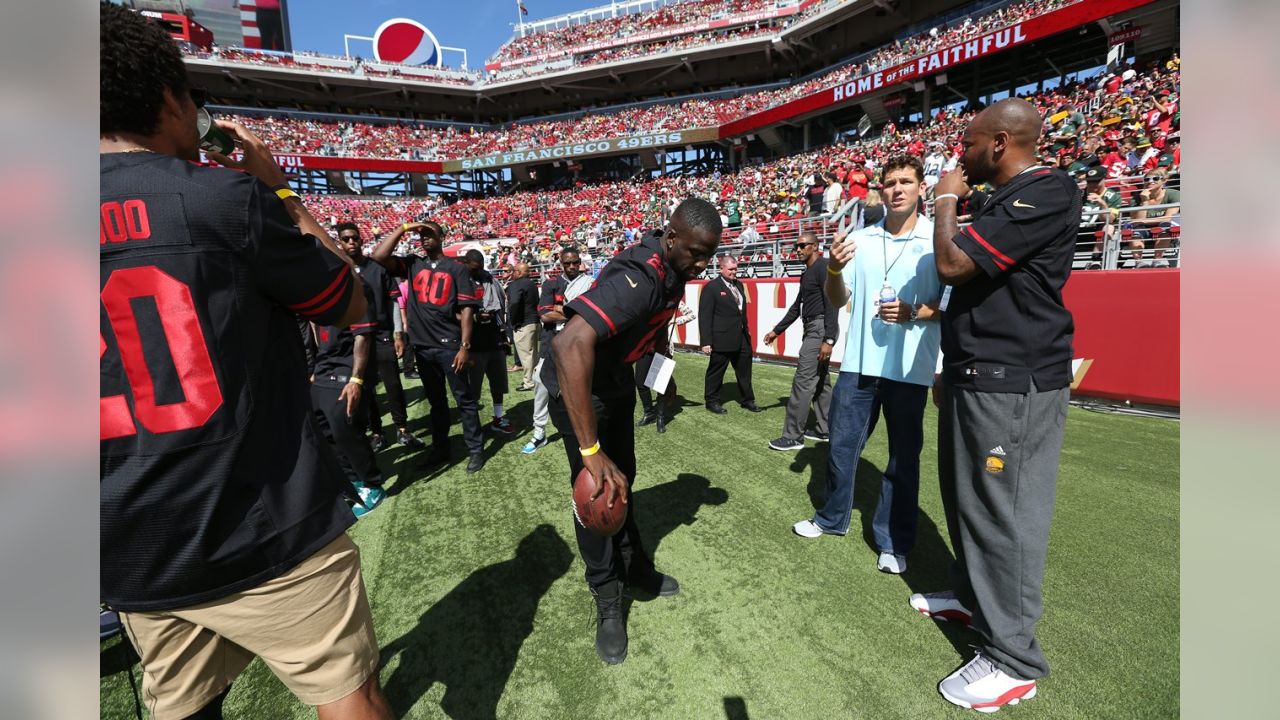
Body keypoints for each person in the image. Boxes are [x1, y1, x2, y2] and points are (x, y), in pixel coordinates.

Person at [99, 5, 391, 718]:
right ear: (172, 99)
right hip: (259, 519)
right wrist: (278, 190)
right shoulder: (222, 199)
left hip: (130, 536)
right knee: (349, 698)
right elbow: (349, 299)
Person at [923, 98, 1080, 712]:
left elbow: (953, 262)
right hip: (977, 373)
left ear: (998, 144)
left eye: (966, 144)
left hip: (1014, 383)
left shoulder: (1048, 190)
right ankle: (973, 598)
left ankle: (1014, 661)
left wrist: (943, 201)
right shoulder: (999, 198)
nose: (958, 157)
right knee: (966, 500)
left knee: (1003, 512)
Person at [544, 198, 722, 665]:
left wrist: (662, 379)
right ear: (671, 238)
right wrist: (589, 449)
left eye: (709, 255)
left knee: (626, 481)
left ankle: (635, 565)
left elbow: (654, 328)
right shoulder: (640, 278)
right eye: (696, 253)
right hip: (581, 390)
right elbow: (568, 344)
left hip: (615, 382)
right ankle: (607, 597)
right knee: (596, 493)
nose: (702, 263)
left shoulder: (673, 271)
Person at [791, 155, 942, 578]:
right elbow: (838, 299)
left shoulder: (938, 240)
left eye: (906, 182)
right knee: (839, 447)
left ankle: (893, 542)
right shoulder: (861, 238)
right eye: (890, 182)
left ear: (920, 189)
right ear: (879, 190)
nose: (897, 189)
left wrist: (914, 311)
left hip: (909, 368)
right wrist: (834, 270)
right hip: (858, 365)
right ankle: (831, 518)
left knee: (902, 460)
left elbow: (950, 307)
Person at [370, 221, 487, 474]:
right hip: (423, 347)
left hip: (449, 346)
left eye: (429, 234)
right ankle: (441, 448)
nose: (424, 238)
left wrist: (465, 346)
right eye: (421, 235)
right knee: (436, 403)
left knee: (464, 400)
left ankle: (475, 450)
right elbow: (379, 256)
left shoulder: (457, 268)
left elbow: (467, 310)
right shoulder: (412, 263)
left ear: (441, 237)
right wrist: (403, 228)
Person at [335, 222, 424, 451]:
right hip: (355, 340)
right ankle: (377, 432)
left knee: (393, 384)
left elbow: (394, 300)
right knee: (366, 388)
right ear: (340, 242)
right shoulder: (338, 270)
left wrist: (397, 333)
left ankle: (402, 428)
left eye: (354, 237)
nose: (351, 242)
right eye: (346, 239)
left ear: (361, 240)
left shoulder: (377, 268)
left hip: (382, 334)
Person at [308, 299, 387, 518]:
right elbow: (315, 325)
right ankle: (354, 482)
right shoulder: (312, 289)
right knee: (323, 429)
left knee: (343, 426)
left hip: (346, 367)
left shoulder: (353, 285)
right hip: (324, 367)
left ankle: (373, 486)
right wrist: (319, 363)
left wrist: (356, 379)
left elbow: (363, 335)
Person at [762, 231, 839, 451]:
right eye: (796, 246)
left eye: (802, 246)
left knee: (803, 382)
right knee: (822, 383)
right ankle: (826, 429)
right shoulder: (807, 274)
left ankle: (793, 436)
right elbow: (797, 307)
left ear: (815, 246)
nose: (798, 250)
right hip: (813, 329)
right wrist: (777, 330)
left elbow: (832, 302)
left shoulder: (823, 268)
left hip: (820, 330)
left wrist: (829, 339)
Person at [521, 249, 592, 454]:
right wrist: (576, 313)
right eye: (567, 263)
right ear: (561, 263)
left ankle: (586, 431)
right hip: (553, 341)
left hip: (582, 342)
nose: (572, 267)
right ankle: (539, 432)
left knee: (586, 387)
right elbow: (545, 315)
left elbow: (593, 311)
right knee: (541, 382)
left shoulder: (589, 283)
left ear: (580, 262)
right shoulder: (551, 283)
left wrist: (561, 310)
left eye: (575, 262)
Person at [699, 256, 761, 414]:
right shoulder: (711, 287)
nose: (735, 272)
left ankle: (748, 400)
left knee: (745, 371)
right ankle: (711, 401)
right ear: (721, 269)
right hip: (721, 339)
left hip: (742, 338)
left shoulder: (739, 285)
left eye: (736, 268)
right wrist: (706, 341)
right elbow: (705, 316)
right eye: (731, 269)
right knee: (716, 371)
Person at [463, 249, 516, 434]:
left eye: (480, 268)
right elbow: (453, 313)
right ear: (465, 263)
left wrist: (504, 338)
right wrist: (475, 318)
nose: (478, 272)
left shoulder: (491, 281)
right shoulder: (459, 282)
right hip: (473, 345)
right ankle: (473, 425)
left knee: (498, 384)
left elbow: (500, 311)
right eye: (474, 268)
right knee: (472, 389)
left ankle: (498, 417)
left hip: (494, 341)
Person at [634, 300, 695, 433]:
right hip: (645, 347)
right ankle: (649, 412)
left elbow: (691, 315)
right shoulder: (645, 298)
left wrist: (674, 321)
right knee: (640, 381)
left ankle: (660, 417)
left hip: (664, 347)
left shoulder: (673, 299)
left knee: (660, 384)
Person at [1125, 168, 1180, 268]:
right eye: (1147, 179)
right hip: (1142, 228)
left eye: (1155, 178)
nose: (1150, 182)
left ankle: (1157, 261)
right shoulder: (1137, 198)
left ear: (1164, 180)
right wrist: (1144, 201)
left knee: (1165, 227)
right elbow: (1136, 221)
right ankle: (1139, 262)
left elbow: (1168, 218)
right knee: (1135, 233)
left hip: (1163, 226)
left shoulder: (1174, 194)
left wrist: (1143, 220)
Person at [505, 262, 541, 391]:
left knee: (526, 356)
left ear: (519, 272)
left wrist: (514, 321)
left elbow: (514, 303)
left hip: (523, 323)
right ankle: (535, 380)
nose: (512, 273)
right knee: (533, 355)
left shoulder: (515, 284)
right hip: (534, 321)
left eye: (514, 271)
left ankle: (529, 382)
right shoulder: (532, 284)